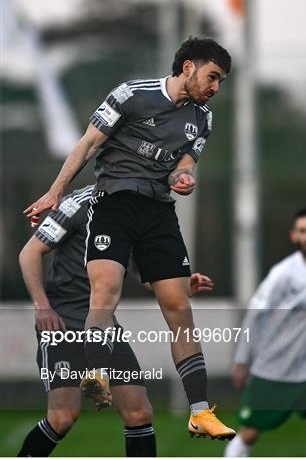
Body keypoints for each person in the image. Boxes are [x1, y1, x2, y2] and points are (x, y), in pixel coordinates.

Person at [23, 37, 235, 440]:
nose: (215, 88)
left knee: (179, 308)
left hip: (158, 211)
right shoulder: (131, 95)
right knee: (106, 290)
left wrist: (183, 177)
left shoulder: (202, 118)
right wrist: (54, 192)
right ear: (188, 67)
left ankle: (200, 411)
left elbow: (185, 162)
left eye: (221, 81)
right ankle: (98, 374)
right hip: (114, 203)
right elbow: (87, 144)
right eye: (213, 77)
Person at [17, 184, 215, 457]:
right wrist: (42, 308)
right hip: (64, 323)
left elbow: (136, 268)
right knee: (62, 418)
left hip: (103, 325)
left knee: (139, 412)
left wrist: (177, 286)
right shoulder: (78, 205)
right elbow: (29, 253)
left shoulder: (141, 210)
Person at [225, 209, 306, 458]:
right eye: (303, 232)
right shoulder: (283, 273)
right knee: (249, 433)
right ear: (294, 236)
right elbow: (254, 313)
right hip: (274, 366)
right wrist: (241, 360)